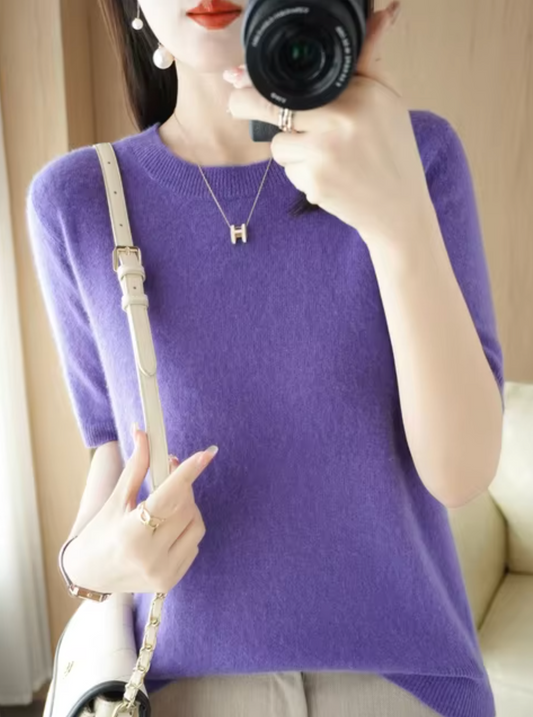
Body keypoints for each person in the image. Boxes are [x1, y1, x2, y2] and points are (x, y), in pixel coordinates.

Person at [26, 0, 505, 715]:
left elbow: (461, 474)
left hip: (404, 686)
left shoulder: (417, 154)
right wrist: (84, 565)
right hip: (178, 690)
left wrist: (398, 220)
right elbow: (115, 442)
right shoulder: (78, 200)